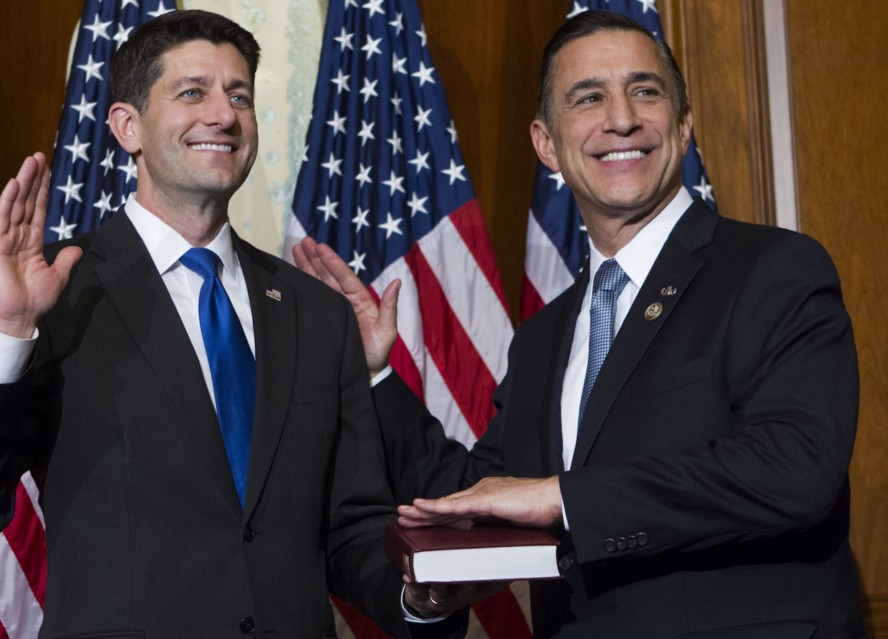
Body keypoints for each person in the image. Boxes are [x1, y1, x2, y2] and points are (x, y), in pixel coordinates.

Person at [294, 10, 867, 638]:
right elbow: (483, 496)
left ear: (682, 124)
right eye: (588, 97)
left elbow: (796, 466)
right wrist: (376, 371)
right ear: (547, 145)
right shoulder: (544, 336)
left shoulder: (773, 270)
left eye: (645, 91)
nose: (621, 118)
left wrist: (564, 499)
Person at [0, 10, 415, 638]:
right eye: (192, 92)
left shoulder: (315, 311)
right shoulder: (54, 293)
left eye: (238, 95)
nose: (223, 114)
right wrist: (6, 329)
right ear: (127, 127)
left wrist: (423, 597)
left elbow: (351, 526)